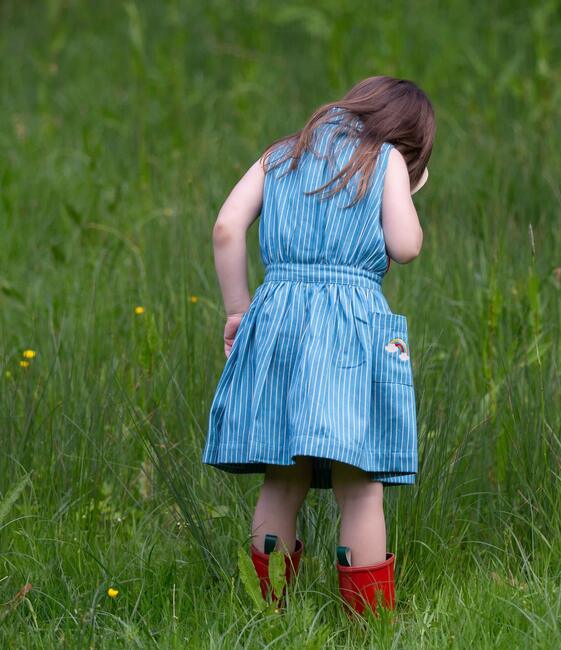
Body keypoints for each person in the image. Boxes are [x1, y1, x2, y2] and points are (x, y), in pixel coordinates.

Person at [202, 75, 434, 616]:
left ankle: (267, 614)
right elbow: (406, 246)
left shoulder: (282, 153)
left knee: (283, 479)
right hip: (352, 330)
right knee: (360, 487)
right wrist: (409, 189)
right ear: (407, 138)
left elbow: (225, 228)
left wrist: (238, 310)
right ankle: (368, 623)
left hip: (279, 319)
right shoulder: (386, 161)